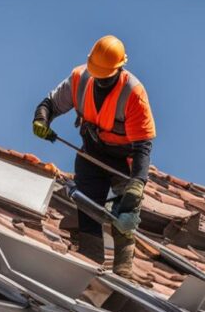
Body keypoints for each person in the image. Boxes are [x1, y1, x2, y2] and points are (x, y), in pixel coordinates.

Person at [31, 36, 156, 278]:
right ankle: (90, 259)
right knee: (87, 203)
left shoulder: (133, 93)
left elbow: (143, 146)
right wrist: (41, 119)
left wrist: (137, 184)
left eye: (105, 76)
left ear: (119, 69)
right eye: (96, 74)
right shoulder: (80, 78)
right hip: (93, 153)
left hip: (124, 160)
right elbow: (50, 103)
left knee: (126, 212)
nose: (100, 80)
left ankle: (123, 269)